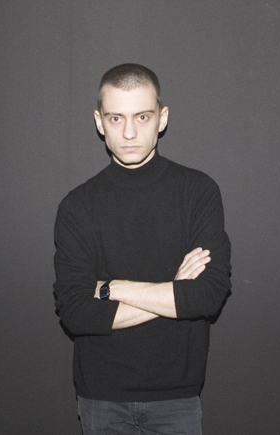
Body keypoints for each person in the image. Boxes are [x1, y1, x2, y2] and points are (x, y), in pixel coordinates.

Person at [53, 63, 231, 435]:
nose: (130, 132)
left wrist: (110, 288)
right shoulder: (77, 206)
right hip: (100, 397)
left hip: (177, 397)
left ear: (162, 119)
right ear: (99, 122)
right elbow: (75, 313)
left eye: (143, 117)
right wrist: (174, 289)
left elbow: (207, 296)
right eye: (116, 118)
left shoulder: (198, 192)